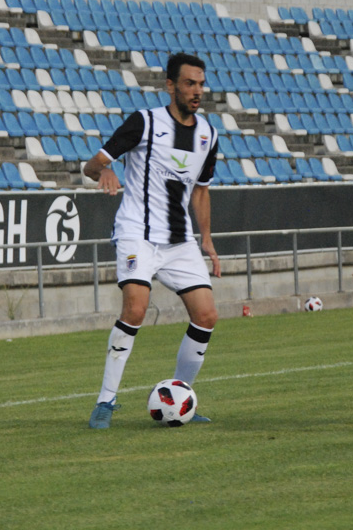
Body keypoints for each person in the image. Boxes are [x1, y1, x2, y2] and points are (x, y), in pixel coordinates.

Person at [82, 52, 221, 429]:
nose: (197, 91)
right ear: (171, 86)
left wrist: (206, 239)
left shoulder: (209, 134)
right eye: (189, 83)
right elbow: (91, 163)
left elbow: (201, 192)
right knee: (136, 308)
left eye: (201, 84)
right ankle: (105, 402)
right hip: (137, 233)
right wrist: (105, 171)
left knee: (206, 314)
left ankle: (181, 397)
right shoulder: (144, 122)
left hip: (179, 241)